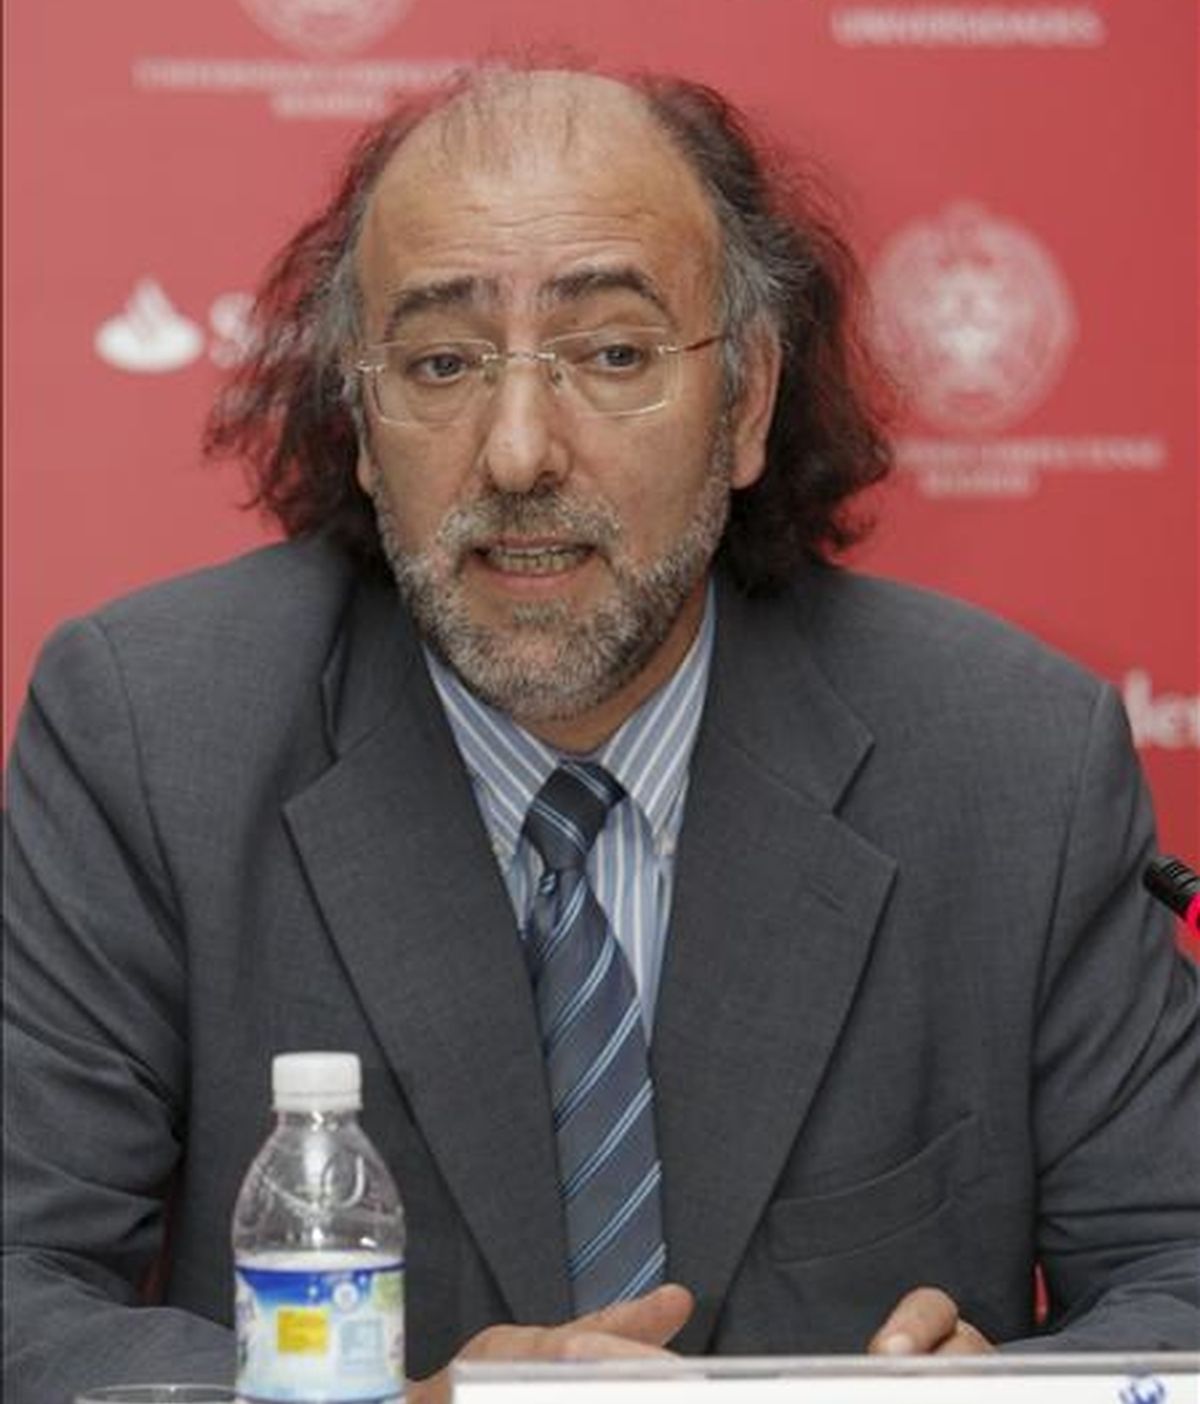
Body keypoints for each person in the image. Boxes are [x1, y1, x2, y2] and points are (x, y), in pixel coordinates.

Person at [4, 66, 1197, 1404]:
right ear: (360, 417)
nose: (517, 453)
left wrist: (1007, 1401)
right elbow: (22, 1293)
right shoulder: (153, 733)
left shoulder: (1011, 760)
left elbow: (1179, 1278)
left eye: (612, 354)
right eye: (443, 364)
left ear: (744, 399)